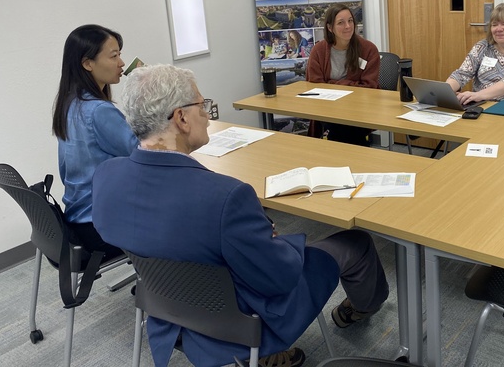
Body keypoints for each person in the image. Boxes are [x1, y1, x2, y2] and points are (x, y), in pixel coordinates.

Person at [92, 65, 388, 367]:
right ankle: (360, 309)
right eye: (202, 106)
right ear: (181, 118)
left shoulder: (106, 177)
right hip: (242, 321)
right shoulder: (226, 197)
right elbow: (281, 277)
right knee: (357, 242)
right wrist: (274, 240)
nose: (207, 115)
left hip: (168, 309)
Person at [51, 24, 138, 261]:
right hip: (101, 226)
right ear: (88, 63)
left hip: (78, 217)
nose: (121, 63)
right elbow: (143, 153)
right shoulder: (98, 110)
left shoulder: (70, 104)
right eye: (114, 56)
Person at [306, 5, 380, 145]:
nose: (348, 26)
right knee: (341, 126)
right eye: (341, 22)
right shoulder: (319, 51)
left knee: (345, 127)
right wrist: (349, 85)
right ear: (330, 28)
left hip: (358, 108)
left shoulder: (368, 49)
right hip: (328, 108)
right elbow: (314, 86)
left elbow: (369, 87)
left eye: (350, 21)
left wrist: (333, 84)